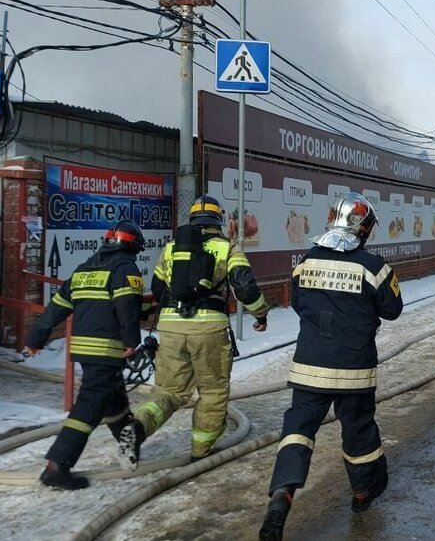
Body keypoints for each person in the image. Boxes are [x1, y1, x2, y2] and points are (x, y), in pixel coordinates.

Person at [260, 193, 402, 539]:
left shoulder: (305, 261)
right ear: (364, 227)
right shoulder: (373, 266)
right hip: (354, 370)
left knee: (298, 429)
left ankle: (282, 495)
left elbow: (299, 304)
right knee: (358, 430)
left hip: (309, 367)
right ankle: (361, 494)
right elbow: (393, 309)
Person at [120, 195, 270, 468]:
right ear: (218, 220)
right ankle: (201, 450)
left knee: (168, 391)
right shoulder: (227, 248)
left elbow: (158, 289)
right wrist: (260, 314)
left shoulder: (171, 248)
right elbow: (245, 287)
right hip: (209, 329)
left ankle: (138, 426)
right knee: (212, 391)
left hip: (171, 327)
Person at [22, 221, 146, 490]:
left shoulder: (84, 269)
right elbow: (126, 307)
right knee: (88, 407)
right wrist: (131, 341)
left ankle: (129, 443)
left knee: (112, 398)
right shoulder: (125, 268)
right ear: (133, 245)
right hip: (107, 349)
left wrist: (36, 338)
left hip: (83, 348)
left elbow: (57, 307)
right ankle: (57, 465)